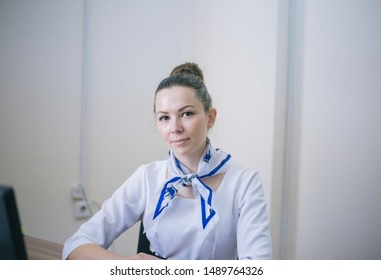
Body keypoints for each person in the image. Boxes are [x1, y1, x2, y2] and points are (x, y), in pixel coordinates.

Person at [62, 62, 272, 260]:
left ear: (210, 117)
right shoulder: (148, 177)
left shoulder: (244, 182)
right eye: (164, 117)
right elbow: (76, 245)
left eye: (187, 114)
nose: (175, 127)